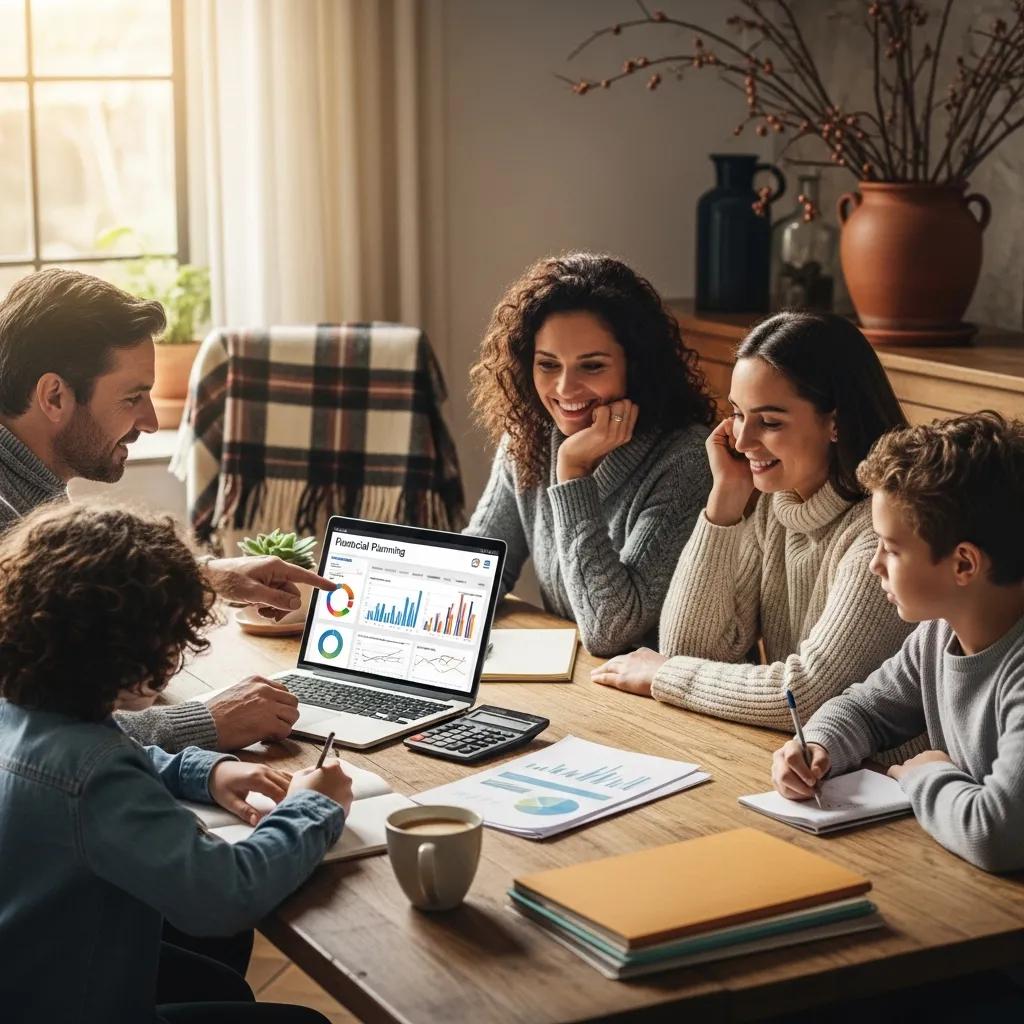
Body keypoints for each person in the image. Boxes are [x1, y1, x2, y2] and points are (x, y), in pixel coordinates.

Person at [0, 502, 352, 1022]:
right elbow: (226, 894)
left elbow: (98, 757)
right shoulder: (96, 775)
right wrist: (311, 808)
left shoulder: (22, 712)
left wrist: (204, 770)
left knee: (215, 981)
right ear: (133, 645)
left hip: (30, 980)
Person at [0, 267, 333, 753]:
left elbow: (58, 601)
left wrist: (206, 578)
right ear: (54, 396)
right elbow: (22, 740)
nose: (152, 422)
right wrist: (204, 722)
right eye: (133, 397)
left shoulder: (28, 487)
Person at [592, 311, 913, 730]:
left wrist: (666, 675)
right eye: (739, 414)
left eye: (770, 421)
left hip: (884, 778)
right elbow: (688, 647)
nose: (742, 441)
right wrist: (724, 500)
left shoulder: (882, 533)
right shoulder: (775, 504)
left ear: (835, 421)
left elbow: (810, 695)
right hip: (801, 761)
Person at [772, 412, 1024, 873]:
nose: (875, 565)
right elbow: (864, 709)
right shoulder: (937, 636)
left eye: (891, 547)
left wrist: (922, 776)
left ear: (964, 564)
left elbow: (998, 834)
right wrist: (820, 745)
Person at [464, 252, 716, 656]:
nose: (565, 389)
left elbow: (610, 631)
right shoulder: (527, 438)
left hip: (658, 703)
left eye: (592, 366)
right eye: (548, 365)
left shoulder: (687, 461)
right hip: (578, 682)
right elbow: (477, 571)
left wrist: (573, 474)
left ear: (635, 367)